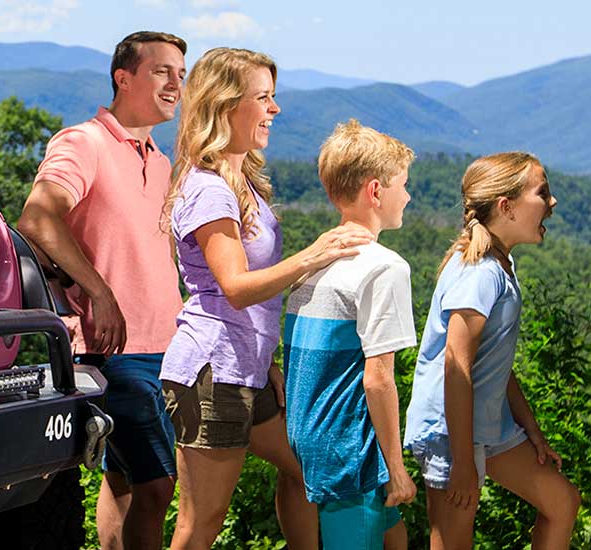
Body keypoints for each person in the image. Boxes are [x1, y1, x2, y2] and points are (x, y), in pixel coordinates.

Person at [159, 47, 368, 550]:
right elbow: (234, 287)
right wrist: (314, 254)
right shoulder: (210, 190)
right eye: (264, 98)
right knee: (200, 523)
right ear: (227, 105)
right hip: (212, 374)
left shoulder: (243, 182)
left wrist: (266, 357)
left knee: (304, 472)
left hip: (246, 369)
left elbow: (252, 293)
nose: (274, 110)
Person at [17, 30, 189, 550]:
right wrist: (100, 293)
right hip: (111, 349)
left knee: (125, 480)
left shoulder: (160, 160)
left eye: (181, 75)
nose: (175, 84)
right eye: (162, 71)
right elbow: (37, 219)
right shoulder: (83, 142)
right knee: (158, 487)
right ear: (124, 77)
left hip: (167, 345)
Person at [403, 152, 578, 550]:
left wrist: (530, 430)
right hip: (451, 431)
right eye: (543, 193)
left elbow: (494, 362)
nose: (552, 203)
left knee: (562, 503)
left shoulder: (501, 265)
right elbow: (456, 365)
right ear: (507, 207)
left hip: (487, 422)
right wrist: (463, 464)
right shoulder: (479, 273)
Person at [281, 119, 419, 550]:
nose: (409, 196)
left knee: (394, 539)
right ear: (376, 191)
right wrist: (396, 467)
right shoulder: (385, 267)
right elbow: (377, 378)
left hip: (312, 437)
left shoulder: (314, 262)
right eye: (403, 185)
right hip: (351, 448)